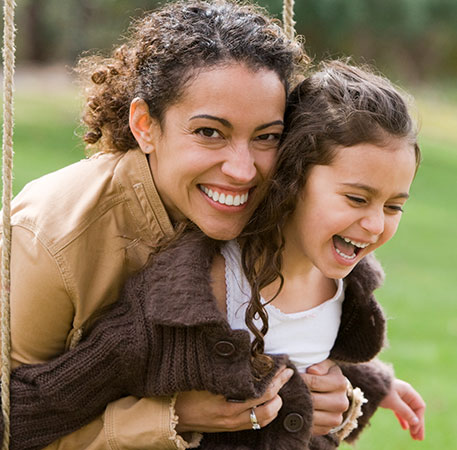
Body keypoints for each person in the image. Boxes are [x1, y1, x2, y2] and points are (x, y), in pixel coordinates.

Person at [3, 61, 425, 449]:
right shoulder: (187, 301)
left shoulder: (345, 279)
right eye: (356, 198)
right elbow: (32, 411)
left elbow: (297, 356)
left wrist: (367, 385)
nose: (374, 224)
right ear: (292, 176)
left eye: (393, 207)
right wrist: (175, 417)